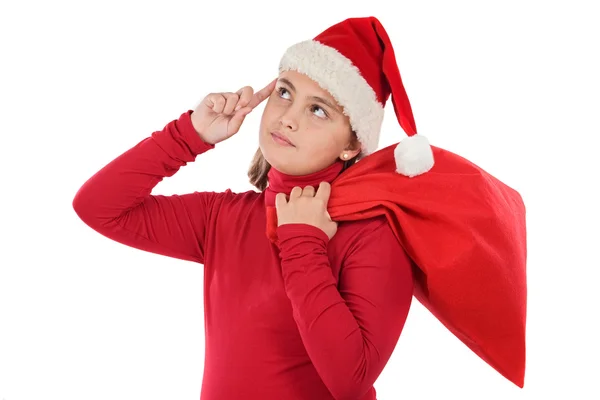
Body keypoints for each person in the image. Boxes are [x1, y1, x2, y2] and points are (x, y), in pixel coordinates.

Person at [73, 16, 419, 400]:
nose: (287, 118)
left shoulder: (372, 235)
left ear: (352, 146)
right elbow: (98, 207)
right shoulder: (224, 217)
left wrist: (303, 244)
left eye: (318, 110)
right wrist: (189, 135)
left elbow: (350, 380)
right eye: (285, 92)